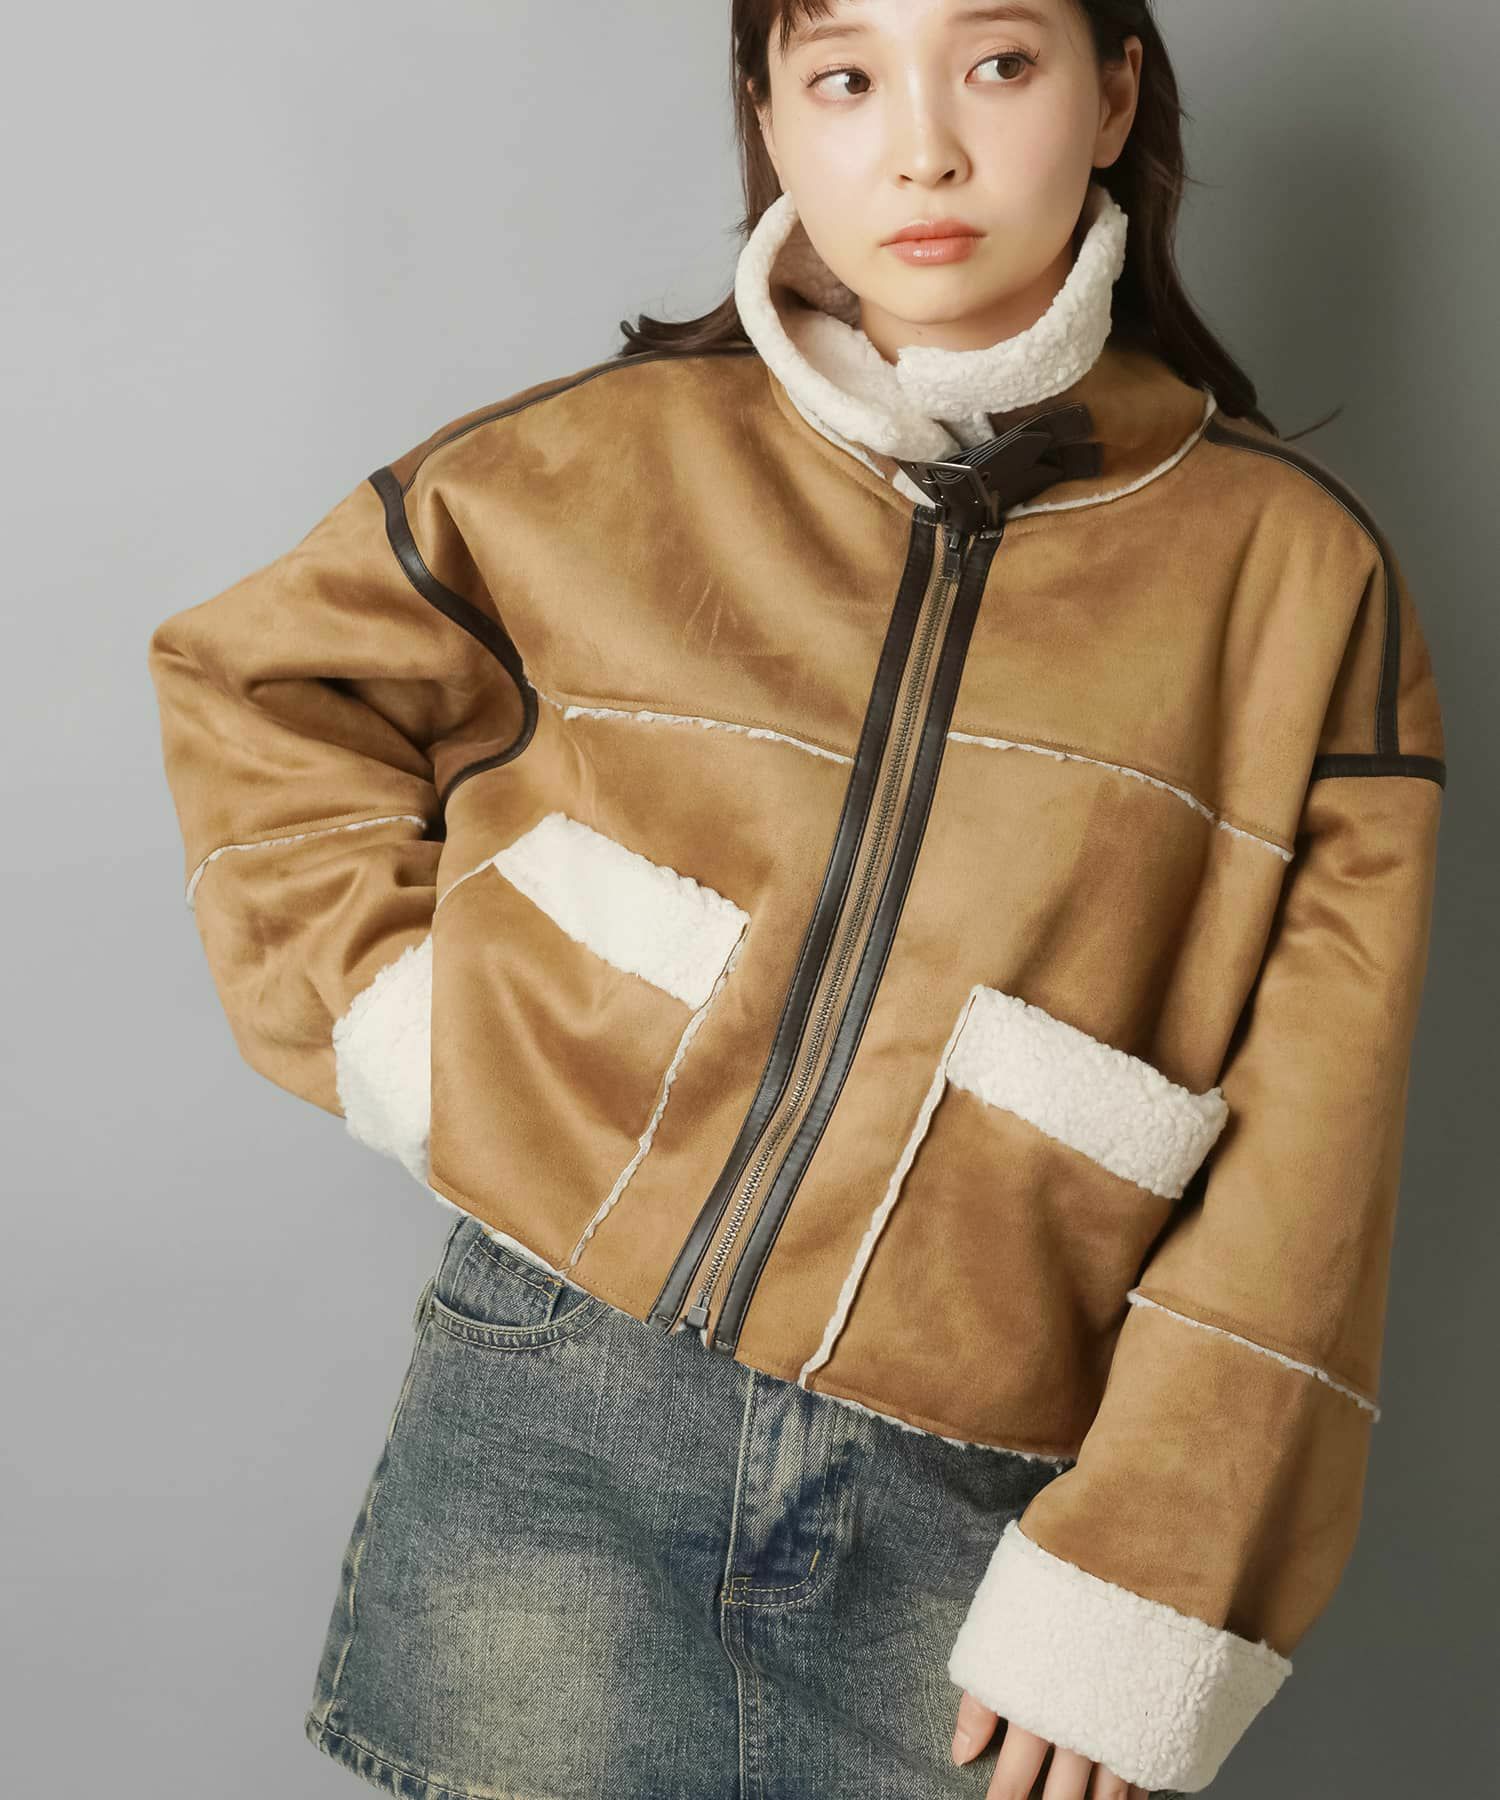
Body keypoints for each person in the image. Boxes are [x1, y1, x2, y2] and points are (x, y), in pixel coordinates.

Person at [145, 1, 1447, 1796]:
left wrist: (1150, 1566)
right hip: (558, 1412)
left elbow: (1316, 1152)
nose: (922, 147)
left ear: (1113, 92)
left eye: (998, 63)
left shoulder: (1296, 577)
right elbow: (260, 693)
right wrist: (417, 1036)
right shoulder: (600, 458)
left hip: (986, 1495)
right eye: (844, 77)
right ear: (769, 113)